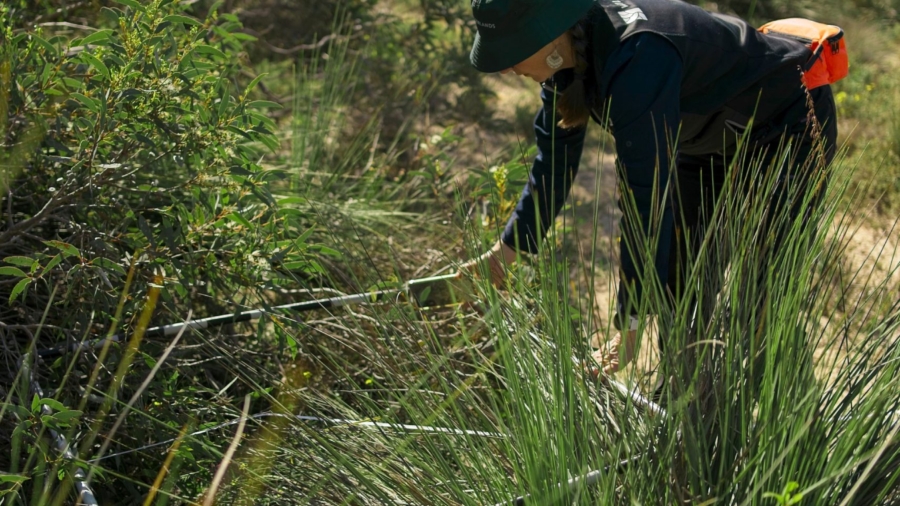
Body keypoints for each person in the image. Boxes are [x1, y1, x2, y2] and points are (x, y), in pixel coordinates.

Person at [459, 0, 838, 375]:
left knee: (762, 301)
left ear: (550, 37)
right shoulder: (565, 62)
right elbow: (553, 166)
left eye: (513, 51)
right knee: (681, 285)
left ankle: (791, 421)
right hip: (703, 141)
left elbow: (647, 200)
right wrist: (504, 253)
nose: (508, 67)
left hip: (787, 126)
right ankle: (686, 404)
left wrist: (629, 326)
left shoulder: (638, 56)